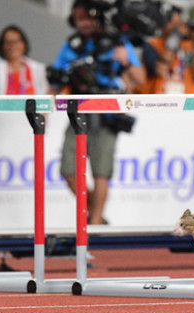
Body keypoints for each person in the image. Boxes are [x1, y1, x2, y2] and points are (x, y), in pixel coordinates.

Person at [50, 0, 145, 225]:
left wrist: (126, 61)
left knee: (100, 173)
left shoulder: (118, 42)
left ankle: (93, 226)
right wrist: (45, 107)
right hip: (78, 111)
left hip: (107, 112)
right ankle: (97, 216)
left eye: (88, 17)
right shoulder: (73, 44)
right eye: (79, 18)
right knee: (68, 171)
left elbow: (140, 78)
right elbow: (55, 79)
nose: (83, 23)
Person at [0, 25, 49, 95]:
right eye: (8, 42)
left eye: (16, 41)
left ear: (24, 44)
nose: (12, 46)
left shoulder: (39, 69)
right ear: (2, 46)